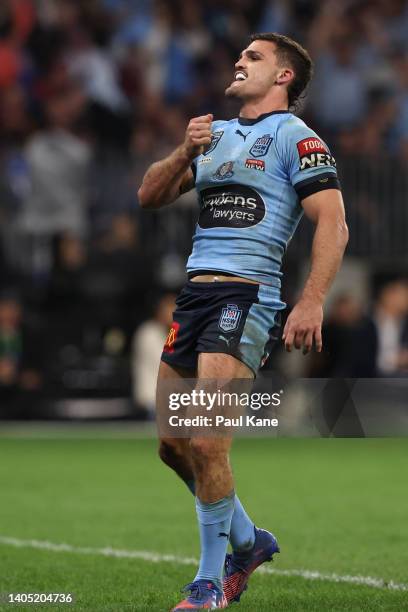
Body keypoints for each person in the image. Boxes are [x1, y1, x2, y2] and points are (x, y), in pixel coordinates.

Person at [138, 32, 348, 610]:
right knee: (171, 445)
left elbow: (332, 222)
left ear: (285, 77)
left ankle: (209, 583)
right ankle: (250, 540)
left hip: (246, 295)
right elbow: (149, 195)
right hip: (194, 297)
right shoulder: (215, 137)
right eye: (241, 55)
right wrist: (184, 150)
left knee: (207, 438)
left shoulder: (297, 138)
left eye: (254, 57)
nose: (239, 61)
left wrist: (311, 300)